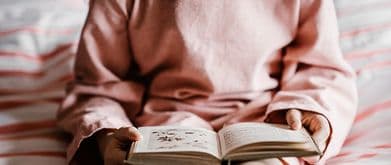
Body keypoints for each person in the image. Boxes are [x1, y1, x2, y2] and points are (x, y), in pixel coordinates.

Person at [57, 0, 358, 164]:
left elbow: (321, 66)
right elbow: (98, 85)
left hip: (268, 118)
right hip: (165, 121)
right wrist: (107, 134)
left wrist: (310, 109)